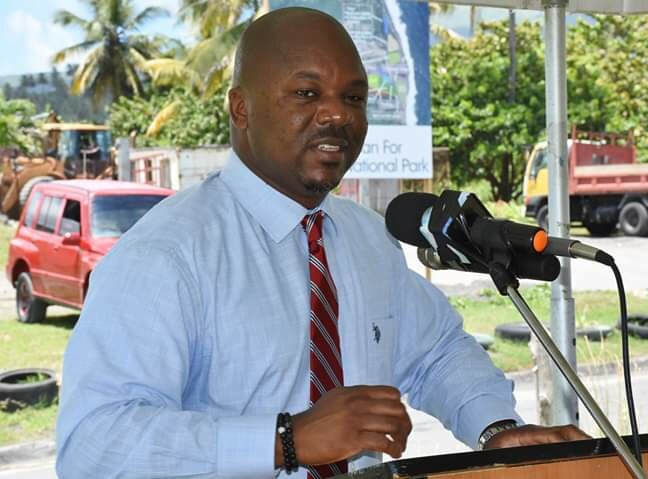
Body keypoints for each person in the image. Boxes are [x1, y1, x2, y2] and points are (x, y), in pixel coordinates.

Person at [56, 7, 587, 479]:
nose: (338, 115)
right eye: (307, 94)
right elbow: (94, 444)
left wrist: (496, 429)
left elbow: (435, 352)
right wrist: (285, 441)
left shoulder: (366, 238)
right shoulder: (166, 255)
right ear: (240, 108)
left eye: (353, 97)